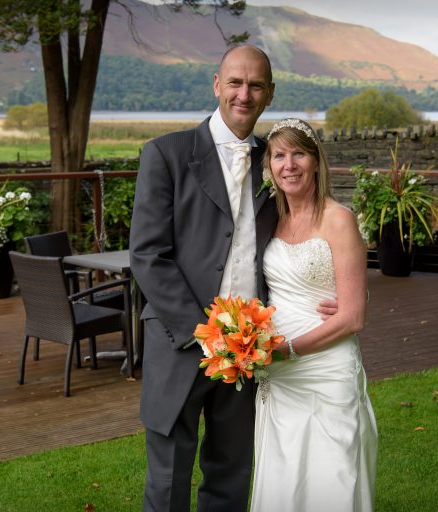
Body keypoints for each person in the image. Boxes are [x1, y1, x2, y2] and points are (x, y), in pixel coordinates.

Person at [130, 47, 336, 511]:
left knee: (232, 469)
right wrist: (203, 333)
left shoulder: (277, 160)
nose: (245, 94)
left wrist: (334, 291)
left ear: (269, 94)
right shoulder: (166, 154)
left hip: (251, 345)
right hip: (178, 339)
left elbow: (312, 227)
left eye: (256, 85)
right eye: (236, 83)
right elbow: (147, 255)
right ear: (217, 84)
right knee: (168, 475)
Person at [250, 118, 378, 512]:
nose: (289, 165)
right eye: (279, 156)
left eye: (299, 154)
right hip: (277, 372)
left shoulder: (339, 219)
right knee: (283, 476)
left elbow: (354, 316)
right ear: (269, 166)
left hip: (324, 366)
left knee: (331, 476)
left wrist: (287, 349)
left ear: (316, 161)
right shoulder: (268, 217)